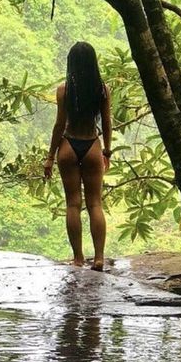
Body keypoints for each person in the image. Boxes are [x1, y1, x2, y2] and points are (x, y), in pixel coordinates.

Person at [43, 41, 112, 271]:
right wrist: (107, 151)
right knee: (95, 204)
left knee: (73, 204)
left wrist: (50, 157)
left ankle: (79, 258)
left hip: (68, 146)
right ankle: (99, 258)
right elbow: (108, 123)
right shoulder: (102, 89)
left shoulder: (64, 90)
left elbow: (59, 125)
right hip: (91, 145)